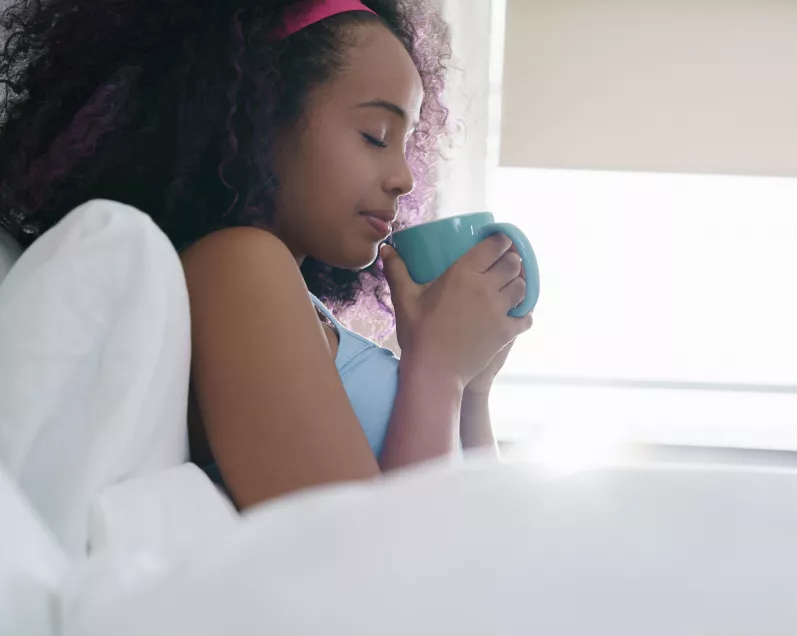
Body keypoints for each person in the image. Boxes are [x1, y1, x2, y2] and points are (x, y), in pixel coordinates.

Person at [0, 0, 533, 509]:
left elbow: (478, 520)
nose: (406, 177)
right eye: (376, 135)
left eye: (406, 140)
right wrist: (437, 370)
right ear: (263, 114)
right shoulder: (237, 267)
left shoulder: (292, 300)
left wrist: (472, 385)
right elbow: (366, 563)